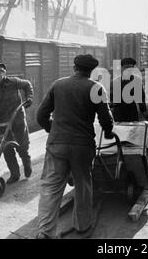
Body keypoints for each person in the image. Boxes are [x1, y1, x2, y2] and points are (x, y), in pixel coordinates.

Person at [36, 54, 114, 239]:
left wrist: (54, 131)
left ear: (74, 67)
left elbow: (40, 116)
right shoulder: (96, 88)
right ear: (91, 71)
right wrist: (109, 132)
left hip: (57, 145)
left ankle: (45, 232)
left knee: (50, 188)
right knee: (83, 185)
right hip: (83, 146)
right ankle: (83, 226)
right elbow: (106, 120)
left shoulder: (58, 84)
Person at [0, 62, 33, 184]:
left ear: (4, 73)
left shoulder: (14, 82)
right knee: (7, 149)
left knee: (22, 146)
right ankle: (14, 174)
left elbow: (27, 85)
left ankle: (26, 163)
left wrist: (29, 97)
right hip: (3, 122)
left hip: (17, 119)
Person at [111, 57, 148, 122]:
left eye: (130, 68)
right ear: (122, 68)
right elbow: (111, 100)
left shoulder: (137, 81)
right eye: (126, 67)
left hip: (132, 112)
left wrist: (144, 113)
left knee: (133, 131)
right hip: (118, 113)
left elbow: (141, 98)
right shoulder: (115, 82)